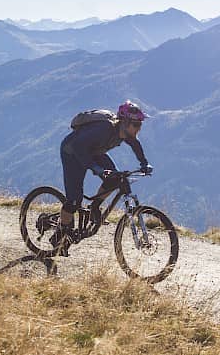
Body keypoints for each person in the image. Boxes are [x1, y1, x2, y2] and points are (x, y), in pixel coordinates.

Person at [53, 100, 153, 253]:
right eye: (136, 124)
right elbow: (78, 146)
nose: (138, 128)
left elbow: (135, 145)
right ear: (125, 122)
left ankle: (94, 206)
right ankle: (60, 234)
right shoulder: (104, 128)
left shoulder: (126, 133)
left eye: (140, 125)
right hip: (72, 153)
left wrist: (144, 163)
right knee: (73, 201)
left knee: (114, 179)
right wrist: (94, 168)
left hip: (93, 152)